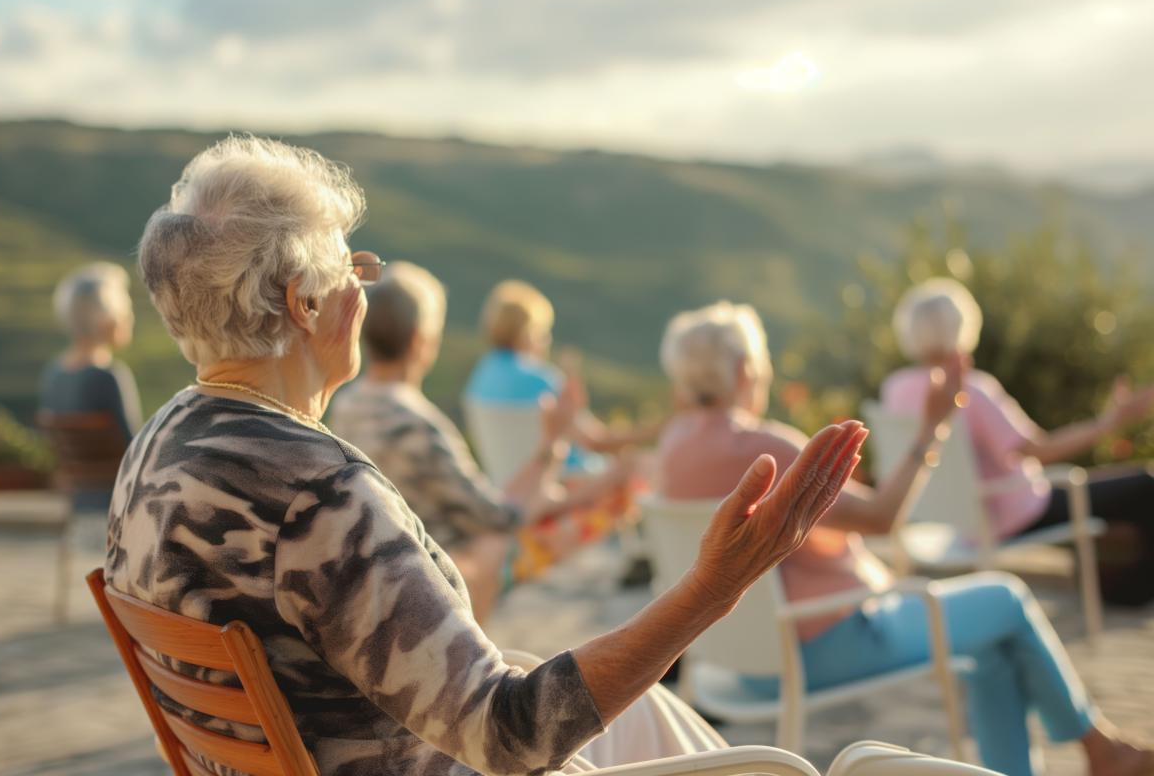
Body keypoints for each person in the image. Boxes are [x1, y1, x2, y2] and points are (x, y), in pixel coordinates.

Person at [106, 135, 866, 776]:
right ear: (304, 304)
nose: (361, 294)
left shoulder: (155, 451)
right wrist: (715, 586)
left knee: (651, 712)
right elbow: (511, 736)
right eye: (353, 270)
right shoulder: (322, 494)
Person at [655, 300, 1152, 776]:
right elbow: (881, 518)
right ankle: (1100, 750)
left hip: (733, 663)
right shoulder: (766, 446)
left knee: (995, 646)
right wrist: (933, 428)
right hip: (824, 643)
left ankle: (1060, 763)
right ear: (745, 371)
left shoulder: (671, 450)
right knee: (1006, 600)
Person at [328, 262, 626, 621]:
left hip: (373, 566)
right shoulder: (419, 424)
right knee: (494, 544)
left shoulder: (346, 404)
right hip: (427, 577)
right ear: (422, 342)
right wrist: (552, 447)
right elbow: (498, 519)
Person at [883, 278, 1154, 605]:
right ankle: (1130, 596)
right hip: (1012, 513)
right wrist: (1112, 421)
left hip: (959, 522)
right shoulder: (972, 390)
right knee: (1146, 484)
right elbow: (1041, 451)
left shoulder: (895, 389)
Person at [464, 279, 660, 474]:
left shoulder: (479, 377)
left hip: (511, 489)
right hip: (569, 484)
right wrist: (657, 430)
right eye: (543, 332)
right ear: (528, 333)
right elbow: (597, 441)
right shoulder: (541, 380)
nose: (546, 341)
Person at [39, 262, 142, 512]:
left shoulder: (53, 374)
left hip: (78, 498)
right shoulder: (109, 375)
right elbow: (136, 450)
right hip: (119, 501)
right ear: (108, 319)